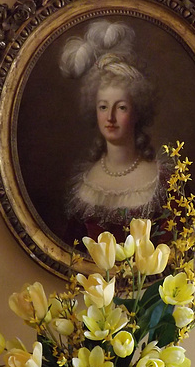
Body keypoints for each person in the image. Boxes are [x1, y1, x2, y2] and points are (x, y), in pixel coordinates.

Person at [61, 19, 170, 244]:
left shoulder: (162, 183)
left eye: (121, 107)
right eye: (103, 107)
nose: (110, 117)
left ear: (137, 111)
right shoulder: (86, 185)